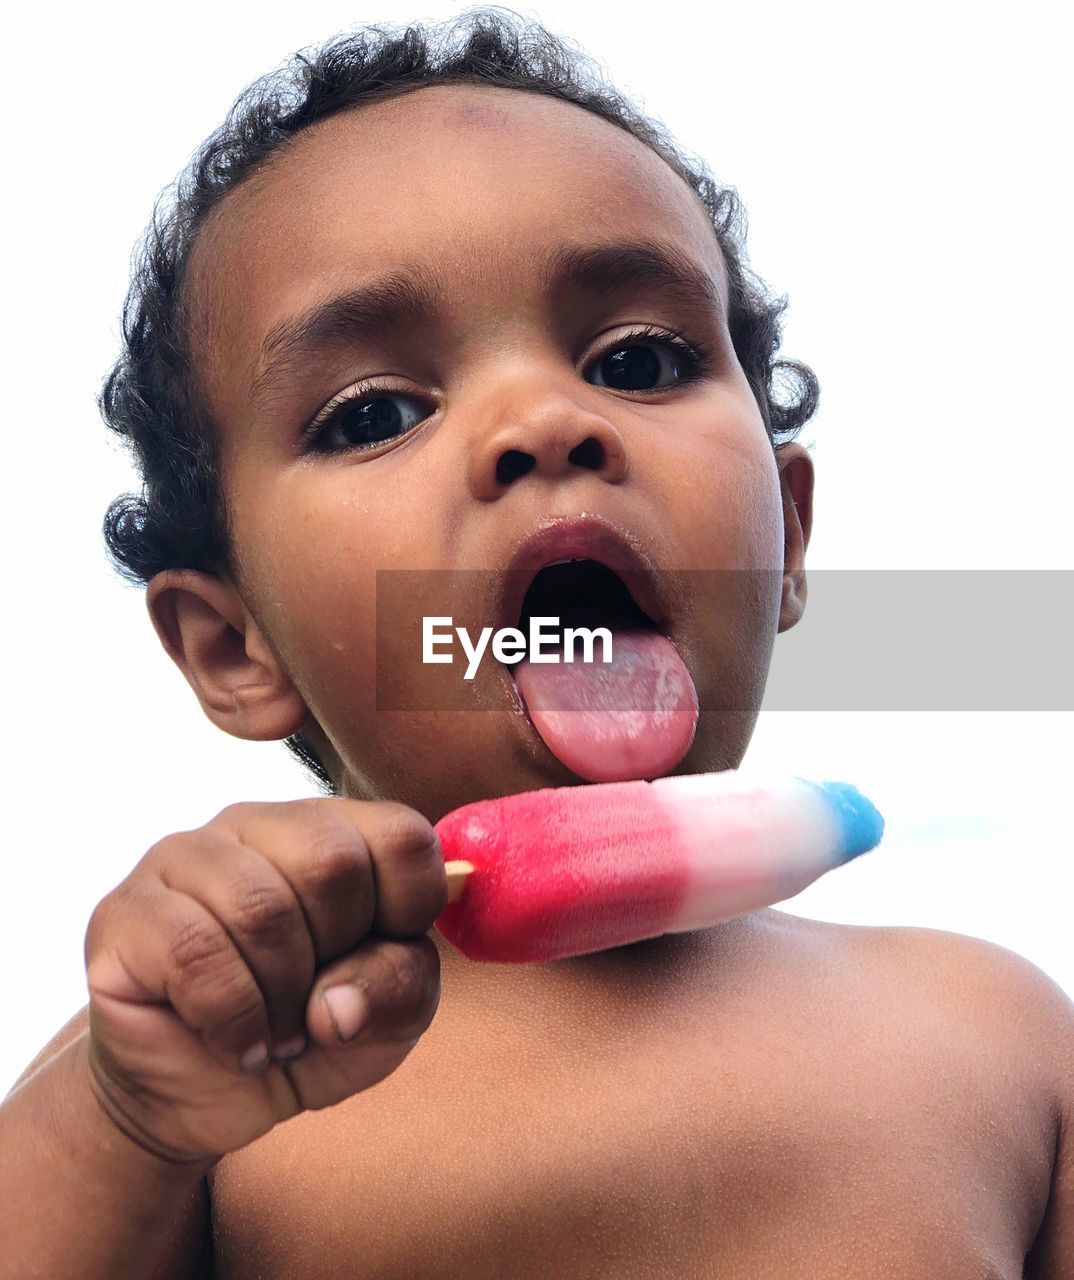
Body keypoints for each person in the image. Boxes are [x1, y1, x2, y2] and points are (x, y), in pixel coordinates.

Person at [2, 9, 1070, 1277]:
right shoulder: (207, 1072)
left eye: (639, 356)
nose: (543, 422)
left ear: (784, 536)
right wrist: (127, 1121)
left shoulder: (997, 1033)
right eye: (377, 413)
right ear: (235, 643)